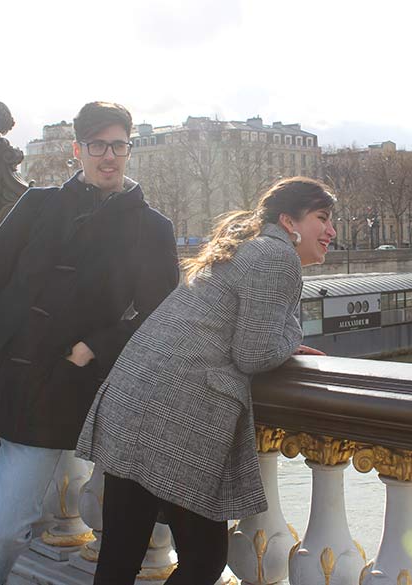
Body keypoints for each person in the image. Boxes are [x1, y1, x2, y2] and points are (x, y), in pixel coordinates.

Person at [0, 101, 179, 585]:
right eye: (97, 146)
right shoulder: (37, 204)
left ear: (129, 150)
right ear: (78, 150)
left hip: (54, 393)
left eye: (118, 146)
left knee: (2, 530)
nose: (108, 156)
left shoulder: (151, 229)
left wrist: (95, 346)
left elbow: (160, 317)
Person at [76, 176, 336, 584]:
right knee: (204, 561)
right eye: (322, 218)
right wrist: (292, 338)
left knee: (120, 554)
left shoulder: (243, 248)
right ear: (289, 221)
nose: (331, 231)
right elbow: (254, 354)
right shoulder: (276, 256)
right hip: (178, 419)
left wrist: (276, 339)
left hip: (133, 402)